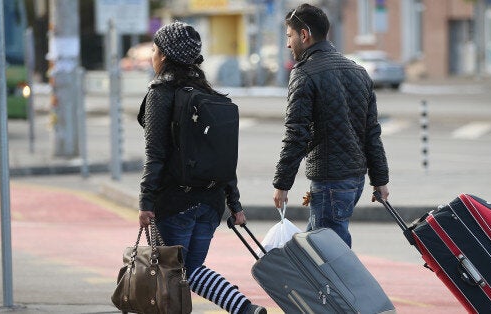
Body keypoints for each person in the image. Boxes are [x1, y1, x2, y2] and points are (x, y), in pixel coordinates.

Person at [137, 21, 266, 314]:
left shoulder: (161, 92)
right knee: (190, 270)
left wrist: (146, 201)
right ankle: (244, 309)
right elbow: (224, 158)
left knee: (170, 274)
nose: (152, 57)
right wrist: (234, 203)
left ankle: (243, 309)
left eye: (155, 50)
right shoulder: (210, 95)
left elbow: (155, 154)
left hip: (175, 201)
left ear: (166, 56)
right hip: (210, 203)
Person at [272, 4, 390, 248]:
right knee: (313, 249)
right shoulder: (358, 71)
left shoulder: (305, 73)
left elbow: (296, 134)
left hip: (330, 182)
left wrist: (282, 184)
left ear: (304, 35)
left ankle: (346, 287)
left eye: (289, 36)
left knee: (330, 256)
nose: (288, 44)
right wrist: (380, 180)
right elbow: (372, 133)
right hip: (354, 179)